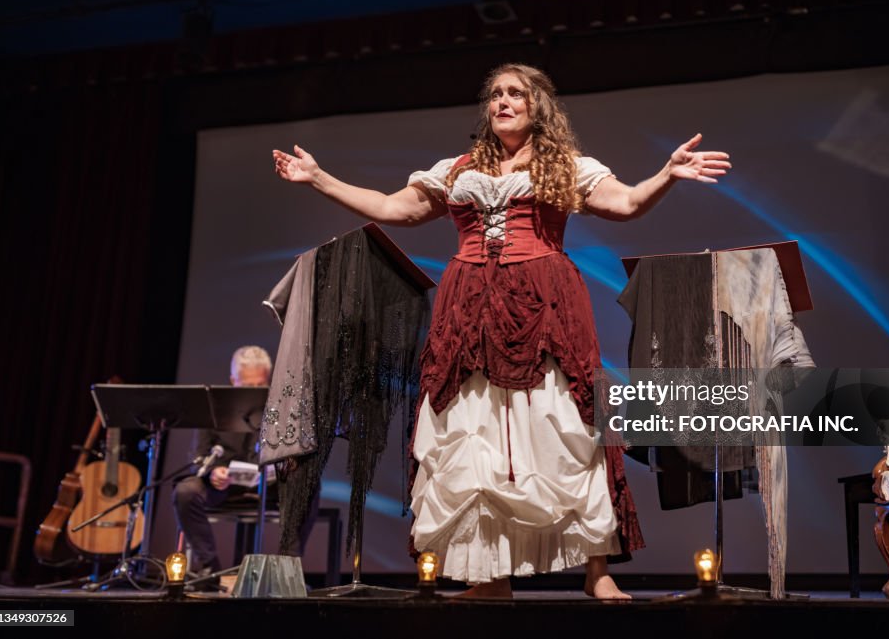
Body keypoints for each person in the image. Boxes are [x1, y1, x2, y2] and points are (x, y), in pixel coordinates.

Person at [272, 63, 731, 599]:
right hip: (468, 307)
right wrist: (320, 178)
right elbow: (394, 208)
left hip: (544, 302)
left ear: (539, 106)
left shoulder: (565, 167)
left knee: (565, 423)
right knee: (474, 431)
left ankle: (596, 569)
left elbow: (625, 203)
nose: (503, 102)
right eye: (495, 95)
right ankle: (490, 576)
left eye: (516, 93)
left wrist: (667, 175)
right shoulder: (455, 170)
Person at [172, 345, 317, 573]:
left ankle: (289, 566)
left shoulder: (283, 408)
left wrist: (287, 464)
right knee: (185, 492)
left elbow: (297, 452)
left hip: (269, 486)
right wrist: (213, 472)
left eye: (261, 386)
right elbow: (198, 457)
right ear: (233, 381)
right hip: (223, 487)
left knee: (308, 482)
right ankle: (209, 567)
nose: (255, 393)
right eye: (248, 386)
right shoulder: (213, 408)